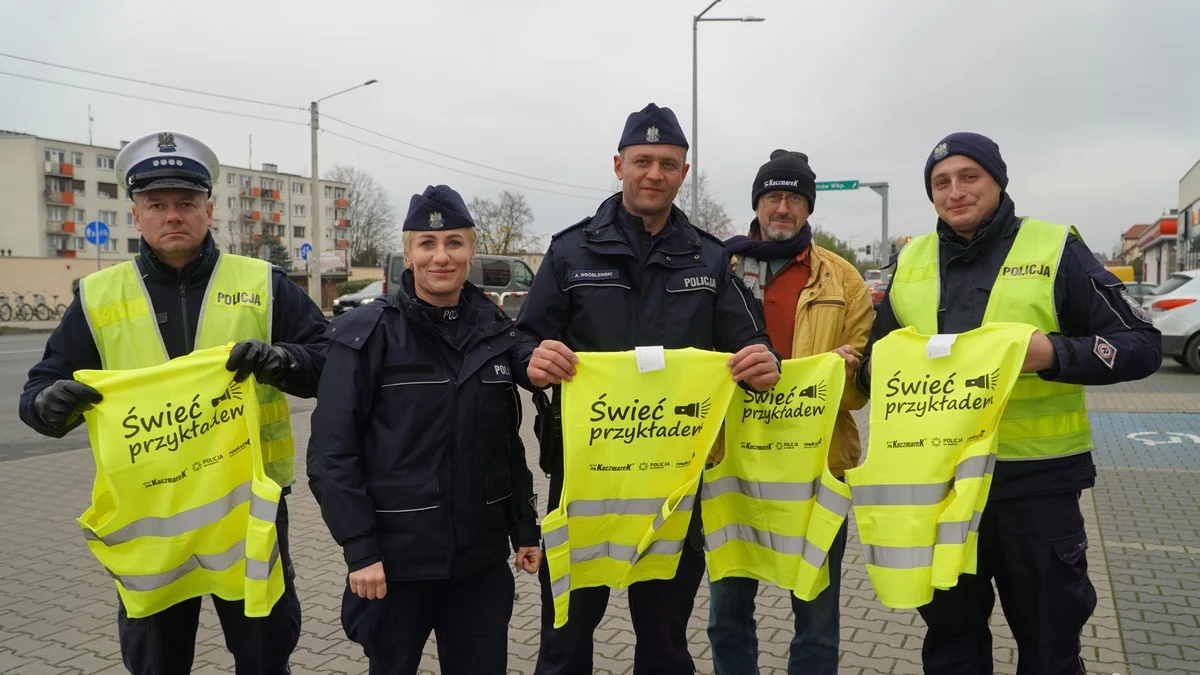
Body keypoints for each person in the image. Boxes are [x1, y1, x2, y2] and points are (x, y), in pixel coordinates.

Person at [18, 130, 327, 674]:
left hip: (247, 510)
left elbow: (330, 359)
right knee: (158, 661)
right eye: (156, 205)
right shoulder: (98, 297)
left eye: (186, 203)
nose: (173, 216)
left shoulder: (262, 284)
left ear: (209, 210)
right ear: (135, 214)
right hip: (152, 516)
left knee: (264, 653)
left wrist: (285, 360)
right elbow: (39, 388)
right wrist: (48, 403)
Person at [856, 132, 1161, 674]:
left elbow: (1142, 346)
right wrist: (866, 368)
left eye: (969, 176)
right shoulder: (912, 260)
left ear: (998, 181)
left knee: (1050, 648)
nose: (955, 192)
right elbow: (876, 363)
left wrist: (1054, 353)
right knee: (952, 649)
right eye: (941, 183)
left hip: (1035, 490)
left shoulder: (1053, 247)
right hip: (939, 491)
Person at [515, 102, 781, 675]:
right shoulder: (569, 252)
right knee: (565, 641)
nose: (654, 173)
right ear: (619, 164)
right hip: (583, 478)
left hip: (675, 489)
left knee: (663, 645)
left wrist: (767, 363)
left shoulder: (710, 259)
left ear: (684, 172)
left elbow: (753, 342)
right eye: (642, 161)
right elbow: (522, 341)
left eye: (667, 163)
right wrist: (531, 360)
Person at [308, 185, 541, 675]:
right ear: (408, 253)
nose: (441, 257)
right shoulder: (368, 335)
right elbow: (332, 455)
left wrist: (523, 526)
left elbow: (504, 444)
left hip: (479, 566)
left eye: (454, 243)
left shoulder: (495, 334)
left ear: (471, 251)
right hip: (394, 567)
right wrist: (360, 549)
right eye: (428, 244)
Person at [708, 149, 873, 675]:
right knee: (727, 613)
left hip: (816, 468)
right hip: (733, 465)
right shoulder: (717, 269)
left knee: (817, 617)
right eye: (773, 196)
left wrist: (847, 371)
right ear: (757, 203)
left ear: (809, 208)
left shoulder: (842, 279)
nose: (783, 207)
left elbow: (860, 393)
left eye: (795, 198)